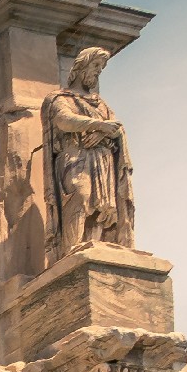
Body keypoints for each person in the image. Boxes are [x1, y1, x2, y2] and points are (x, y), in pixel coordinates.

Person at [43, 45, 136, 257]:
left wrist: (104, 133)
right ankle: (71, 248)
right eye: (95, 66)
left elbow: (116, 127)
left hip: (102, 159)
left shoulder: (100, 103)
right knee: (80, 193)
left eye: (100, 68)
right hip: (74, 155)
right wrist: (98, 125)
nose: (97, 71)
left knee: (102, 207)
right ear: (81, 66)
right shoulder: (60, 98)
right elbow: (64, 120)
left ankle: (95, 243)